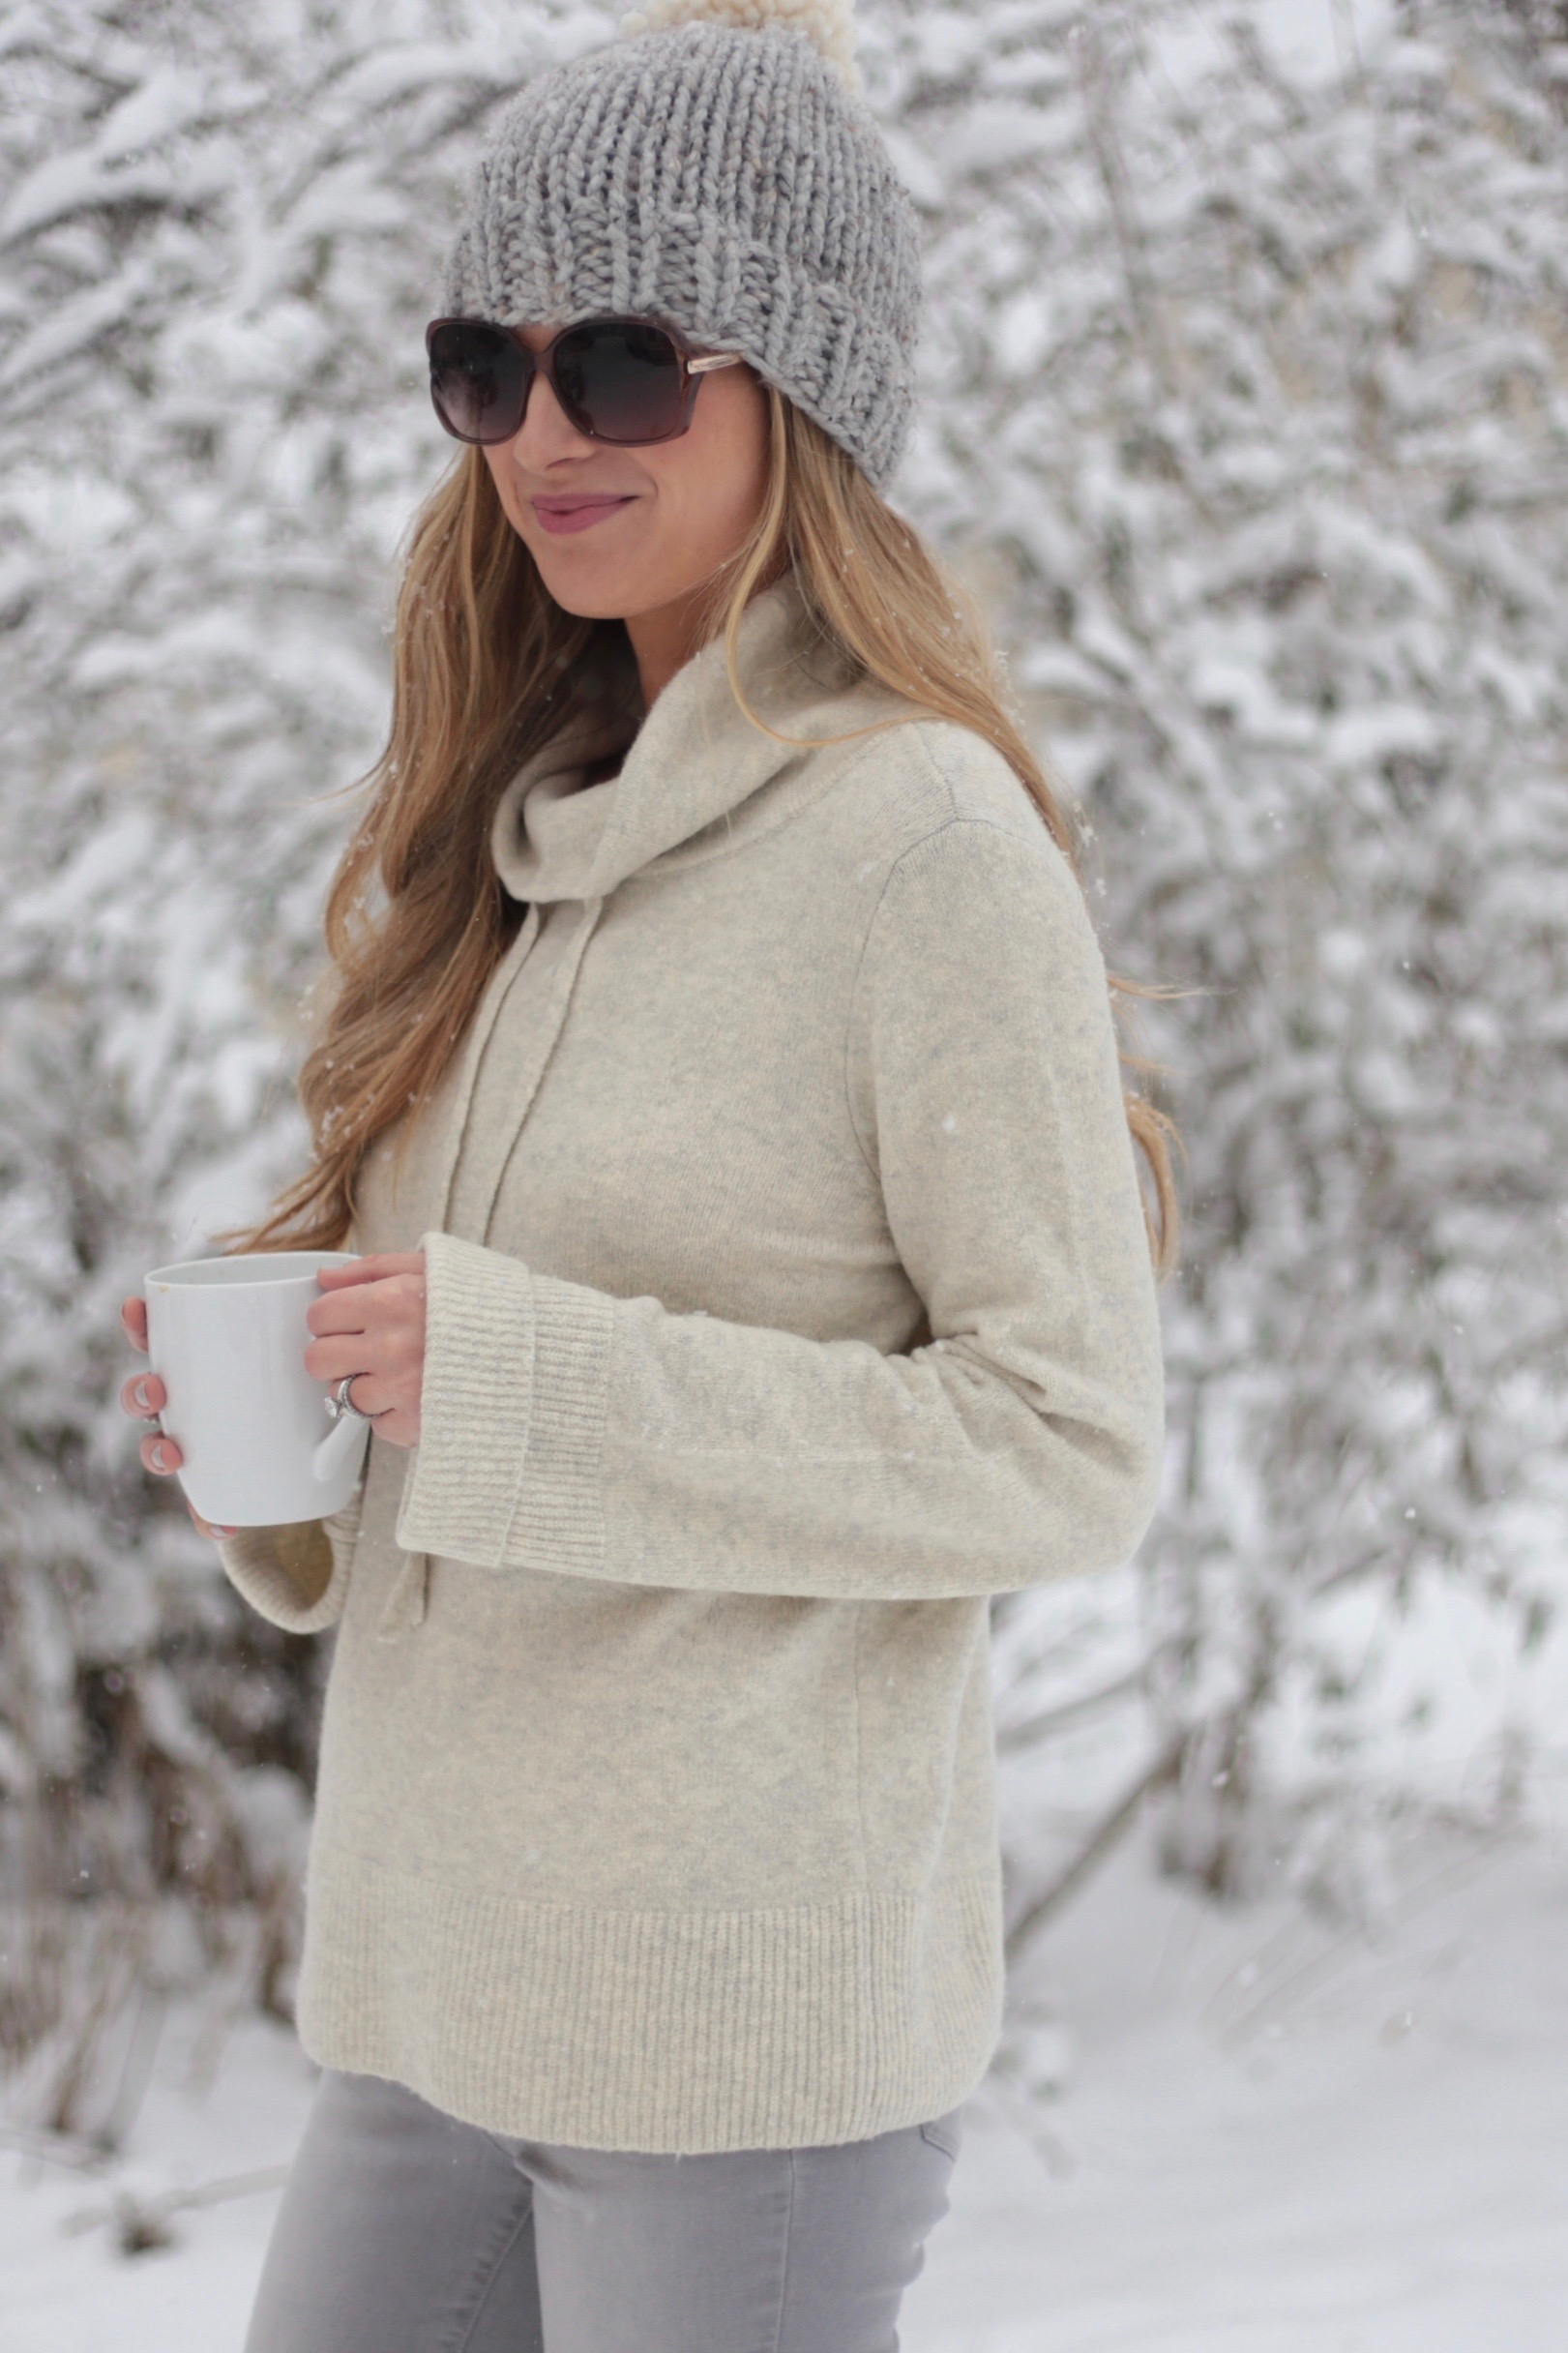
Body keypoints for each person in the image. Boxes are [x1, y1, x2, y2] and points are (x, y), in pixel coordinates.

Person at [120, 1, 1174, 2344]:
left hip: (732, 2036)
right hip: (432, 1996)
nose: (541, 431)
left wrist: (519, 1385)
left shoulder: (917, 840)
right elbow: (481, 1422)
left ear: (799, 393)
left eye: (619, 361)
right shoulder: (513, 841)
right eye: (484, 368)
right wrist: (287, 1458)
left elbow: (1063, 1443)